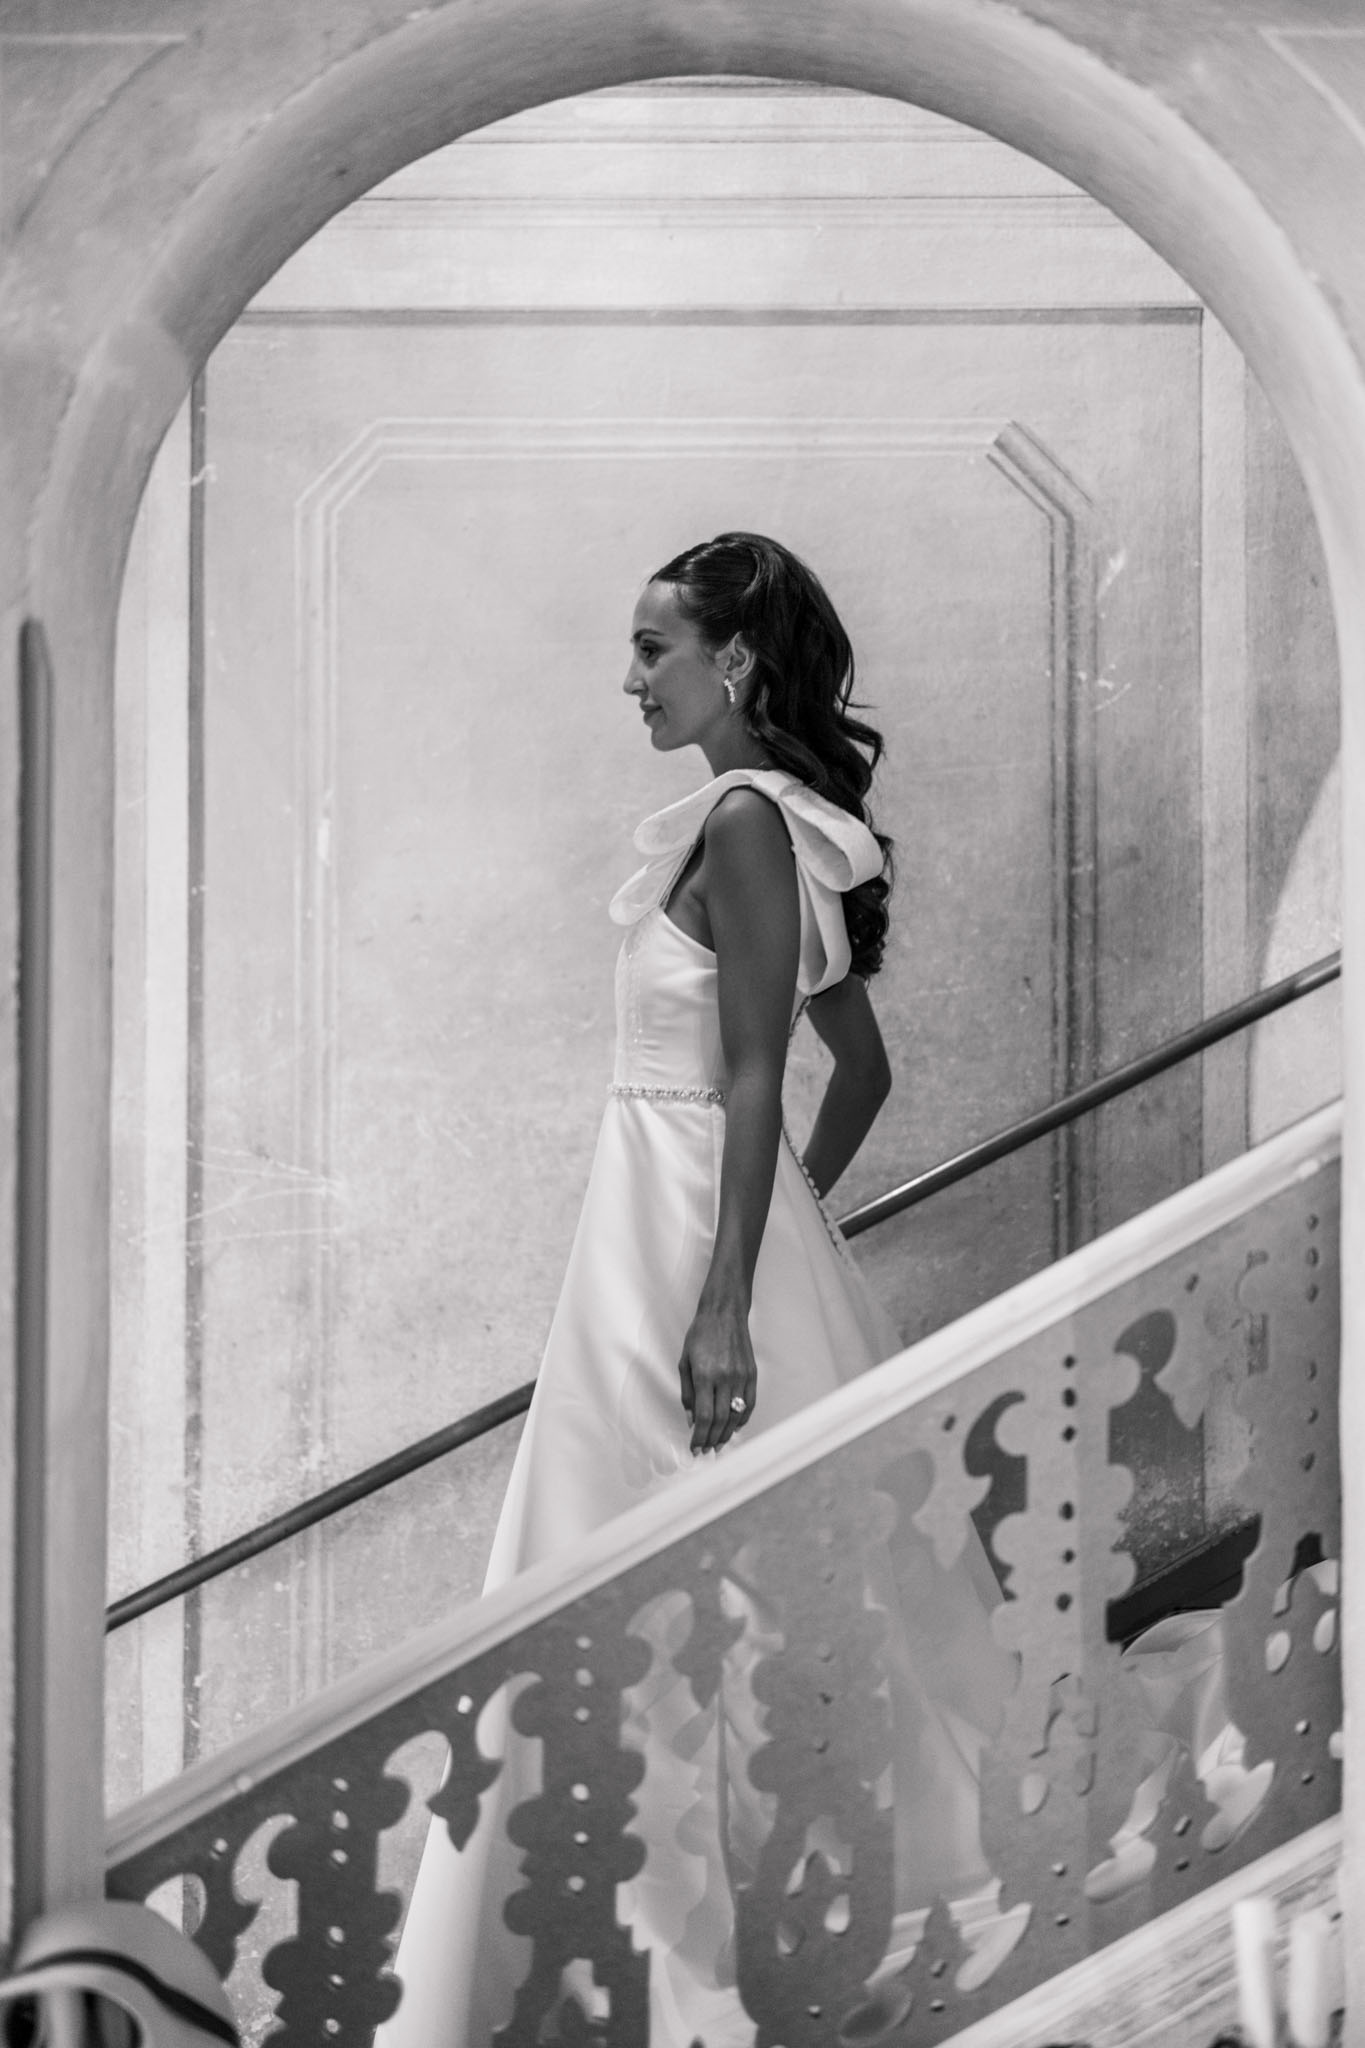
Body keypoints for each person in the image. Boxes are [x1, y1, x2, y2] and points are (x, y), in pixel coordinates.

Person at [376, 534, 1020, 2048]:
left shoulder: (743, 821)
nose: (629, 677)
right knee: (674, 1583)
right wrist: (789, 1221)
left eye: (653, 648)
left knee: (628, 1580)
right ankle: (663, 1948)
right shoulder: (773, 828)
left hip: (673, 1239)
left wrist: (730, 1287)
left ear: (731, 662)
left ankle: (639, 1969)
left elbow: (753, 1074)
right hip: (684, 1218)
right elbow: (854, 1068)